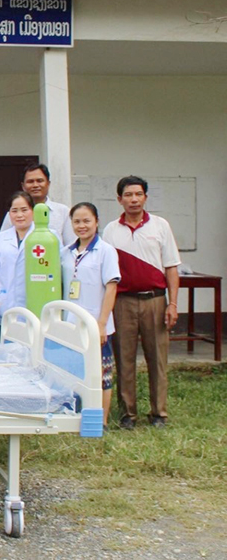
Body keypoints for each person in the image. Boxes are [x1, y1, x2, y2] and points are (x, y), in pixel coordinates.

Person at [102, 176, 180, 429]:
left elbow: (171, 267)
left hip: (154, 301)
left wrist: (172, 304)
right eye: (128, 195)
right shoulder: (111, 230)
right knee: (123, 359)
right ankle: (128, 414)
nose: (133, 199)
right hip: (123, 302)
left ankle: (159, 413)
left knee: (157, 358)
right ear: (119, 199)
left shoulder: (160, 226)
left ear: (145, 197)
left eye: (138, 194)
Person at [61, 202, 120, 427]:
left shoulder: (106, 251)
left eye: (87, 221)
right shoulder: (66, 252)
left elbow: (111, 287)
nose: (82, 226)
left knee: (101, 373)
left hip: (96, 322)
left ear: (96, 222)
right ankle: (76, 416)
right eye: (77, 221)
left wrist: (102, 323)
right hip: (71, 323)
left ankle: (101, 420)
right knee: (75, 372)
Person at [0, 191, 62, 319]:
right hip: (7, 307)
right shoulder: (0, 238)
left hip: (40, 304)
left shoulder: (50, 236)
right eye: (14, 211)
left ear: (33, 211)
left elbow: (60, 270)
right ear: (9, 214)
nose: (19, 215)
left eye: (24, 210)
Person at [0, 163, 76, 245]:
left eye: (40, 181)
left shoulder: (63, 212)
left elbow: (71, 245)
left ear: (48, 184)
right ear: (23, 186)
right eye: (30, 181)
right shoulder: (14, 213)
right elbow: (2, 242)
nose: (35, 185)